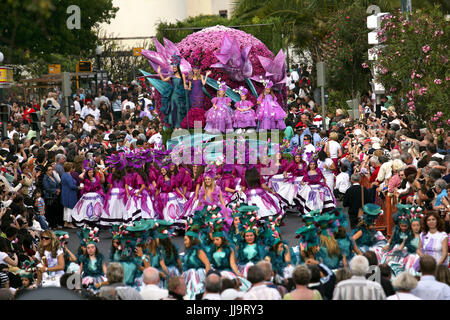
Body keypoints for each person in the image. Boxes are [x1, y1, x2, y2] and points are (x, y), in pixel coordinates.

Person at [156, 55, 188, 130]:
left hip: (180, 95)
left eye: (175, 67)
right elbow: (163, 80)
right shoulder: (171, 76)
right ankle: (174, 126)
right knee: (173, 109)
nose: (174, 69)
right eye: (173, 67)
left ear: (178, 68)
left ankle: (179, 125)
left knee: (179, 110)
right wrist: (159, 72)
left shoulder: (182, 75)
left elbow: (184, 85)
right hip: (173, 95)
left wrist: (189, 86)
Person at [60, 162, 77, 229]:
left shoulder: (63, 175)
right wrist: (78, 187)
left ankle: (65, 222)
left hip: (64, 193)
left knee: (66, 209)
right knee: (70, 208)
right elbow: (72, 186)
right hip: (70, 194)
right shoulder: (68, 176)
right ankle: (69, 222)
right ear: (70, 169)